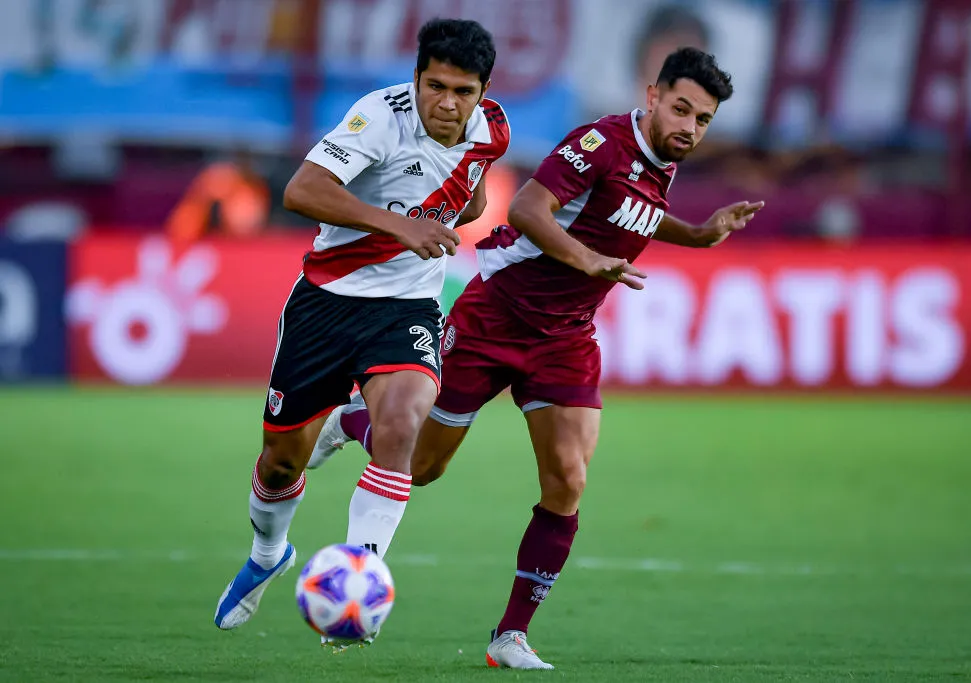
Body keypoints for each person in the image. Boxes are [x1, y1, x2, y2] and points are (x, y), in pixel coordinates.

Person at [312, 47, 763, 668]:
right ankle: (350, 422)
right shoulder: (600, 143)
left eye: (703, 119)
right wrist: (586, 261)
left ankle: (510, 637)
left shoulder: (664, 161)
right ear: (653, 95)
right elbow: (526, 208)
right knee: (420, 468)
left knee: (568, 479)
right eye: (681, 108)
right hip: (495, 313)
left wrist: (699, 232)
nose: (689, 126)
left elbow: (633, 216)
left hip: (566, 338)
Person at [214, 18, 510, 632]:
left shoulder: (493, 131)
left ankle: (363, 573)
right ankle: (269, 555)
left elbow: (474, 190)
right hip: (326, 303)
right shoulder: (379, 117)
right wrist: (403, 225)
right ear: (416, 78)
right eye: (435, 86)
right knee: (280, 463)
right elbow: (302, 190)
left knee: (402, 423)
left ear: (483, 91)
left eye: (463, 91)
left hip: (406, 309)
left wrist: (466, 208)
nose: (447, 103)